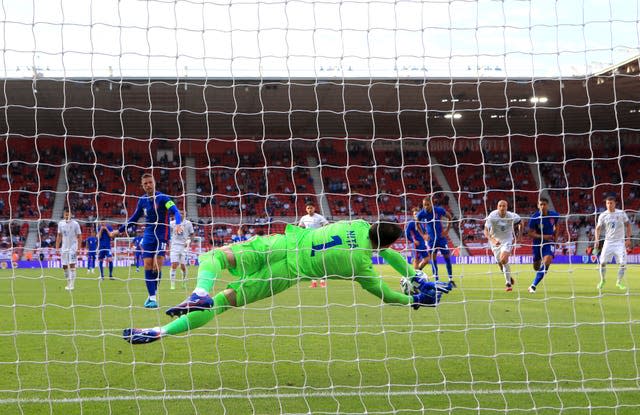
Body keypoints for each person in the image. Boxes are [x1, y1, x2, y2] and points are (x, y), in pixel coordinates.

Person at [123, 220, 455, 344]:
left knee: (216, 256)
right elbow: (384, 292)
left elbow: (387, 249)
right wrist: (411, 294)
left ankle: (198, 291)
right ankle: (160, 332)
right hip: (284, 275)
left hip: (281, 244)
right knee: (223, 301)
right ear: (383, 244)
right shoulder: (362, 266)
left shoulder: (357, 223)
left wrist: (410, 273)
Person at [119, 173, 182, 308]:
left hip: (162, 233)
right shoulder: (141, 200)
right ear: (142, 186)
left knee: (157, 265)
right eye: (145, 183)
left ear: (154, 183)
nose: (148, 185)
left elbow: (176, 212)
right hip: (148, 234)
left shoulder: (163, 198)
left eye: (150, 182)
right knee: (147, 264)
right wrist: (119, 230)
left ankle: (153, 293)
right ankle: (152, 298)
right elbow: (134, 218)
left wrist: (177, 224)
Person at [483, 200, 522, 292]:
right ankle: (508, 275)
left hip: (507, 240)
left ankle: (508, 283)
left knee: (504, 259)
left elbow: (521, 222)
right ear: (497, 207)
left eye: (504, 206)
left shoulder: (512, 216)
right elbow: (485, 230)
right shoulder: (492, 216)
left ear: (507, 207)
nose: (502, 208)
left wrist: (519, 236)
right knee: (500, 263)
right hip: (495, 241)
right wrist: (493, 240)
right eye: (500, 206)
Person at [417, 196, 456, 286]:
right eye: (424, 205)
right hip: (431, 241)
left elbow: (449, 217)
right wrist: (423, 235)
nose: (426, 207)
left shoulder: (439, 210)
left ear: (432, 204)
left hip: (441, 239)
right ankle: (436, 280)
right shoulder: (421, 214)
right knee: (433, 260)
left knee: (447, 257)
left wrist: (447, 231)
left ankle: (450, 279)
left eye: (427, 205)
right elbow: (417, 224)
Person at [595, 196, 632, 290]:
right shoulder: (603, 215)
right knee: (602, 262)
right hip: (608, 242)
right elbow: (598, 228)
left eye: (611, 203)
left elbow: (628, 225)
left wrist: (628, 239)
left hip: (620, 242)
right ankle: (602, 280)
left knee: (623, 263)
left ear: (615, 203)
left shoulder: (621, 213)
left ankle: (619, 282)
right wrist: (596, 240)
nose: (609, 205)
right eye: (607, 203)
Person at [527, 197, 560, 293]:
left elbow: (557, 225)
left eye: (544, 204)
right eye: (540, 204)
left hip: (549, 242)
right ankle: (539, 267)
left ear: (547, 205)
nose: (542, 206)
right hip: (537, 243)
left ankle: (533, 285)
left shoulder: (554, 215)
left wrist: (556, 239)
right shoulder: (535, 217)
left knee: (548, 260)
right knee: (536, 267)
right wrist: (544, 236)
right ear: (538, 206)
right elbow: (529, 233)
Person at [298, 201, 329, 288]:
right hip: (308, 242)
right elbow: (300, 228)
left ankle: (323, 281)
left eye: (311, 208)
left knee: (321, 260)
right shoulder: (304, 218)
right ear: (306, 209)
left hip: (319, 241)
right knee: (311, 262)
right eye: (308, 208)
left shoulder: (319, 217)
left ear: (314, 208)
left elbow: (327, 225)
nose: (309, 209)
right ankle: (314, 282)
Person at [56, 209, 82, 290]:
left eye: (68, 215)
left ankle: (72, 284)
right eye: (66, 215)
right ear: (64, 215)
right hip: (64, 247)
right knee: (64, 266)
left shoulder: (75, 224)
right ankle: (68, 282)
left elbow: (79, 236)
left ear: (71, 215)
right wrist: (57, 247)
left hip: (73, 247)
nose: (67, 216)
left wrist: (78, 248)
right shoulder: (61, 223)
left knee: (72, 264)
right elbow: (59, 236)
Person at [169, 213, 194, 290]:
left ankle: (184, 282)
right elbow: (167, 233)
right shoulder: (172, 223)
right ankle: (172, 284)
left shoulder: (188, 223)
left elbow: (192, 234)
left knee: (183, 266)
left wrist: (190, 241)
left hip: (184, 247)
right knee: (174, 265)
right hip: (174, 246)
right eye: (179, 214)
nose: (181, 215)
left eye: (183, 213)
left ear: (185, 214)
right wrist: (169, 241)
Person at [405, 207, 430, 271]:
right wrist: (413, 240)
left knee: (427, 259)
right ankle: (415, 277)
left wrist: (427, 236)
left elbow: (424, 233)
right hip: (416, 245)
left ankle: (418, 271)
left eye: (417, 213)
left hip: (423, 244)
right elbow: (406, 234)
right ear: (413, 215)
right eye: (415, 214)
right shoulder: (411, 223)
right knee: (416, 260)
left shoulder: (421, 223)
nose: (416, 215)